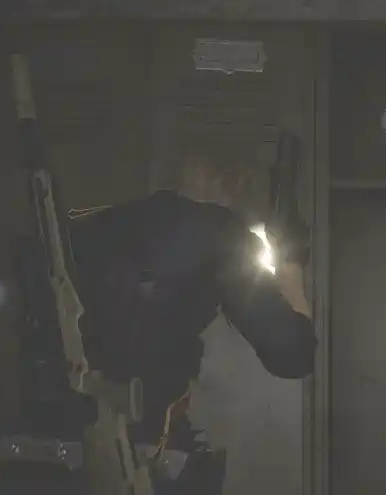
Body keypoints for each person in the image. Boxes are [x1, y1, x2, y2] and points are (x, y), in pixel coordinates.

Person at [66, 148, 316, 450]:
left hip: (70, 417)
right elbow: (292, 353)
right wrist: (291, 265)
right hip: (130, 436)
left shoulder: (110, 223)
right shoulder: (222, 237)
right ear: (229, 181)